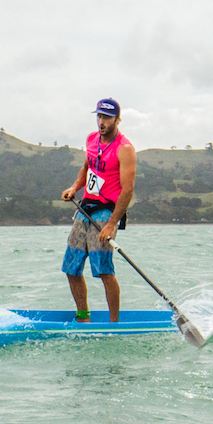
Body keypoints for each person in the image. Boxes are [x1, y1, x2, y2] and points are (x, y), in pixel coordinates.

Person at [60, 98, 137, 323]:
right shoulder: (92, 140)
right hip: (85, 208)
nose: (101, 122)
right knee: (71, 266)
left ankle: (115, 323)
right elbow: (86, 168)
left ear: (117, 119)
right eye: (99, 116)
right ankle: (83, 316)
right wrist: (75, 187)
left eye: (107, 117)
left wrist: (112, 223)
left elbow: (127, 191)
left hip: (107, 211)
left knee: (103, 269)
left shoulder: (125, 149)